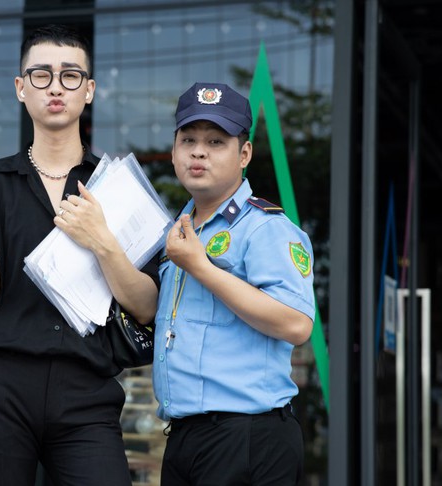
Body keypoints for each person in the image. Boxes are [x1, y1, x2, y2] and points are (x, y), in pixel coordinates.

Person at [0, 24, 158, 486]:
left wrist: (102, 241)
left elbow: (146, 306)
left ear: (89, 90)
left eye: (70, 75)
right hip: (1, 385)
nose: (56, 87)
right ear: (21, 88)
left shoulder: (116, 188)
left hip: (86, 389)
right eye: (41, 75)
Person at [152, 82, 316, 485]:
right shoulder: (177, 233)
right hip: (185, 436)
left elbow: (296, 324)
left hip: (247, 436)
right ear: (173, 151)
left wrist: (202, 267)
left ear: (244, 154)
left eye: (215, 141)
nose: (199, 152)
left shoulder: (265, 228)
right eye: (188, 140)